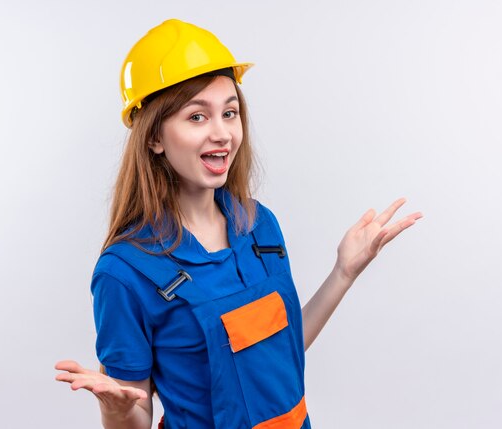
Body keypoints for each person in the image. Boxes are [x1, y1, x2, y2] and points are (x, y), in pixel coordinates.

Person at [55, 19, 422, 429]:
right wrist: (117, 409)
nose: (223, 133)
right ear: (154, 138)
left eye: (230, 112)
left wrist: (343, 272)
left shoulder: (258, 225)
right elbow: (134, 413)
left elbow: (279, 353)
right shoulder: (124, 273)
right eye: (197, 117)